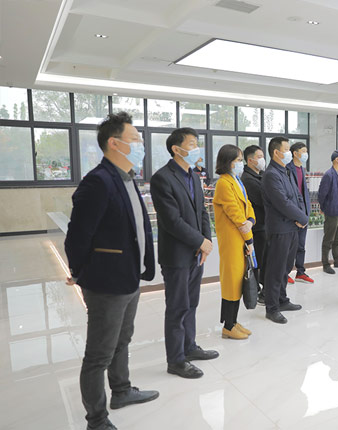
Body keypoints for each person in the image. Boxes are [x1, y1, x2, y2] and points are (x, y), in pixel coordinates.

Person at [65, 112, 158, 430]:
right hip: (106, 282)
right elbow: (78, 235)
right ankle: (97, 419)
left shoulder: (128, 178)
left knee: (122, 339)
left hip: (129, 276)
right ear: (114, 143)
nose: (141, 144)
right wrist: (80, 273)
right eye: (135, 139)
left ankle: (121, 390)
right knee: (98, 354)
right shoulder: (99, 181)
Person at [150, 128, 219, 380]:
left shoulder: (194, 176)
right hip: (177, 255)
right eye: (191, 144)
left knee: (191, 304)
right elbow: (172, 220)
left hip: (196, 254)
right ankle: (176, 360)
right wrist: (199, 241)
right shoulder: (162, 178)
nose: (196, 148)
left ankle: (190, 347)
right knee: (177, 307)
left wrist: (206, 241)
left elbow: (202, 212)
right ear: (176, 149)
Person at [261, 137, 309, 324]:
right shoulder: (271, 175)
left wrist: (301, 216)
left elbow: (296, 196)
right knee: (275, 269)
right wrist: (301, 217)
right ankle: (272, 307)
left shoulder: (286, 171)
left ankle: (282, 300)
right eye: (287, 149)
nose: (290, 153)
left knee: (286, 267)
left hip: (292, 227)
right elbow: (282, 202)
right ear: (276, 152)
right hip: (280, 229)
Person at [213, 144, 256, 339]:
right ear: (229, 162)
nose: (241, 163)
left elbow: (248, 207)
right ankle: (228, 326)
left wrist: (251, 221)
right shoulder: (224, 183)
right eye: (238, 160)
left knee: (238, 281)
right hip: (232, 240)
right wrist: (249, 238)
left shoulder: (236, 180)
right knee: (232, 283)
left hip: (241, 238)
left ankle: (234, 321)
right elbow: (235, 214)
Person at [241, 145, 267, 304]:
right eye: (259, 157)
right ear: (250, 160)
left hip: (264, 225)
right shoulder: (248, 179)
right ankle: (258, 291)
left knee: (264, 260)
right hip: (257, 227)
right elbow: (264, 200)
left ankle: (262, 289)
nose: (262, 160)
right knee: (258, 262)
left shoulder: (260, 175)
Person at [287, 142, 314, 284]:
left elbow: (304, 194)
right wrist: (296, 216)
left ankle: (300, 272)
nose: (305, 154)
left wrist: (306, 215)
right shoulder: (287, 169)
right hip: (294, 215)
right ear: (295, 153)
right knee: (289, 247)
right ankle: (285, 273)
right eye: (303, 151)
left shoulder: (302, 169)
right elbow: (290, 195)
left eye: (306, 151)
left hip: (304, 214)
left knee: (301, 246)